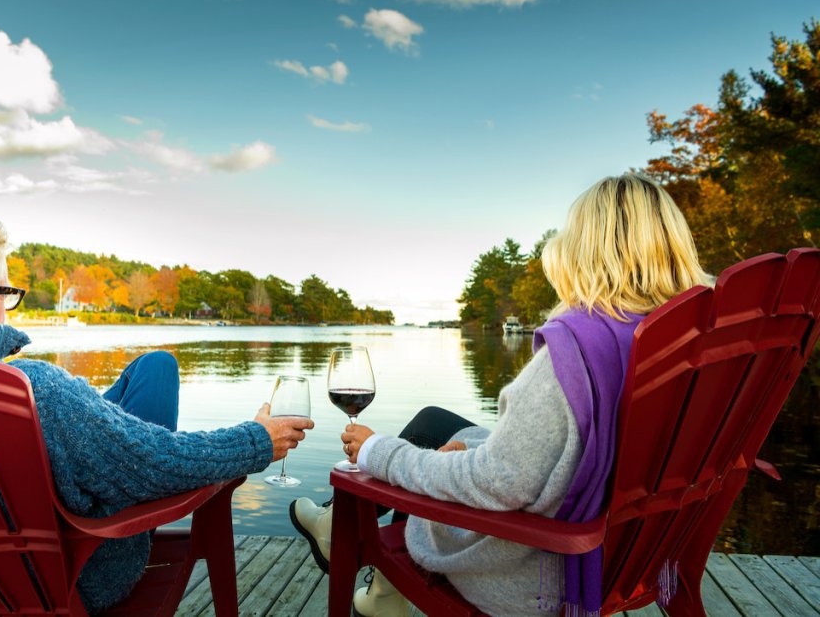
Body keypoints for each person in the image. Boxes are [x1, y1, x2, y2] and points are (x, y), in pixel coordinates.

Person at [0, 201, 314, 614]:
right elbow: (158, 464)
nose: (9, 307)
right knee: (136, 413)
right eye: (6, 292)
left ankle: (102, 428)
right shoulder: (27, 389)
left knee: (154, 368)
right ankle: (104, 431)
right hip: (76, 574)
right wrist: (257, 439)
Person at [291, 173, 711, 617]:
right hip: (633, 549)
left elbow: (497, 482)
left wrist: (380, 452)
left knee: (405, 466)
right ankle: (366, 571)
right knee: (435, 423)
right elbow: (558, 447)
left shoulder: (579, 351)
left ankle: (345, 541)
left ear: (585, 250)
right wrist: (460, 450)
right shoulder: (677, 343)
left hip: (540, 566)